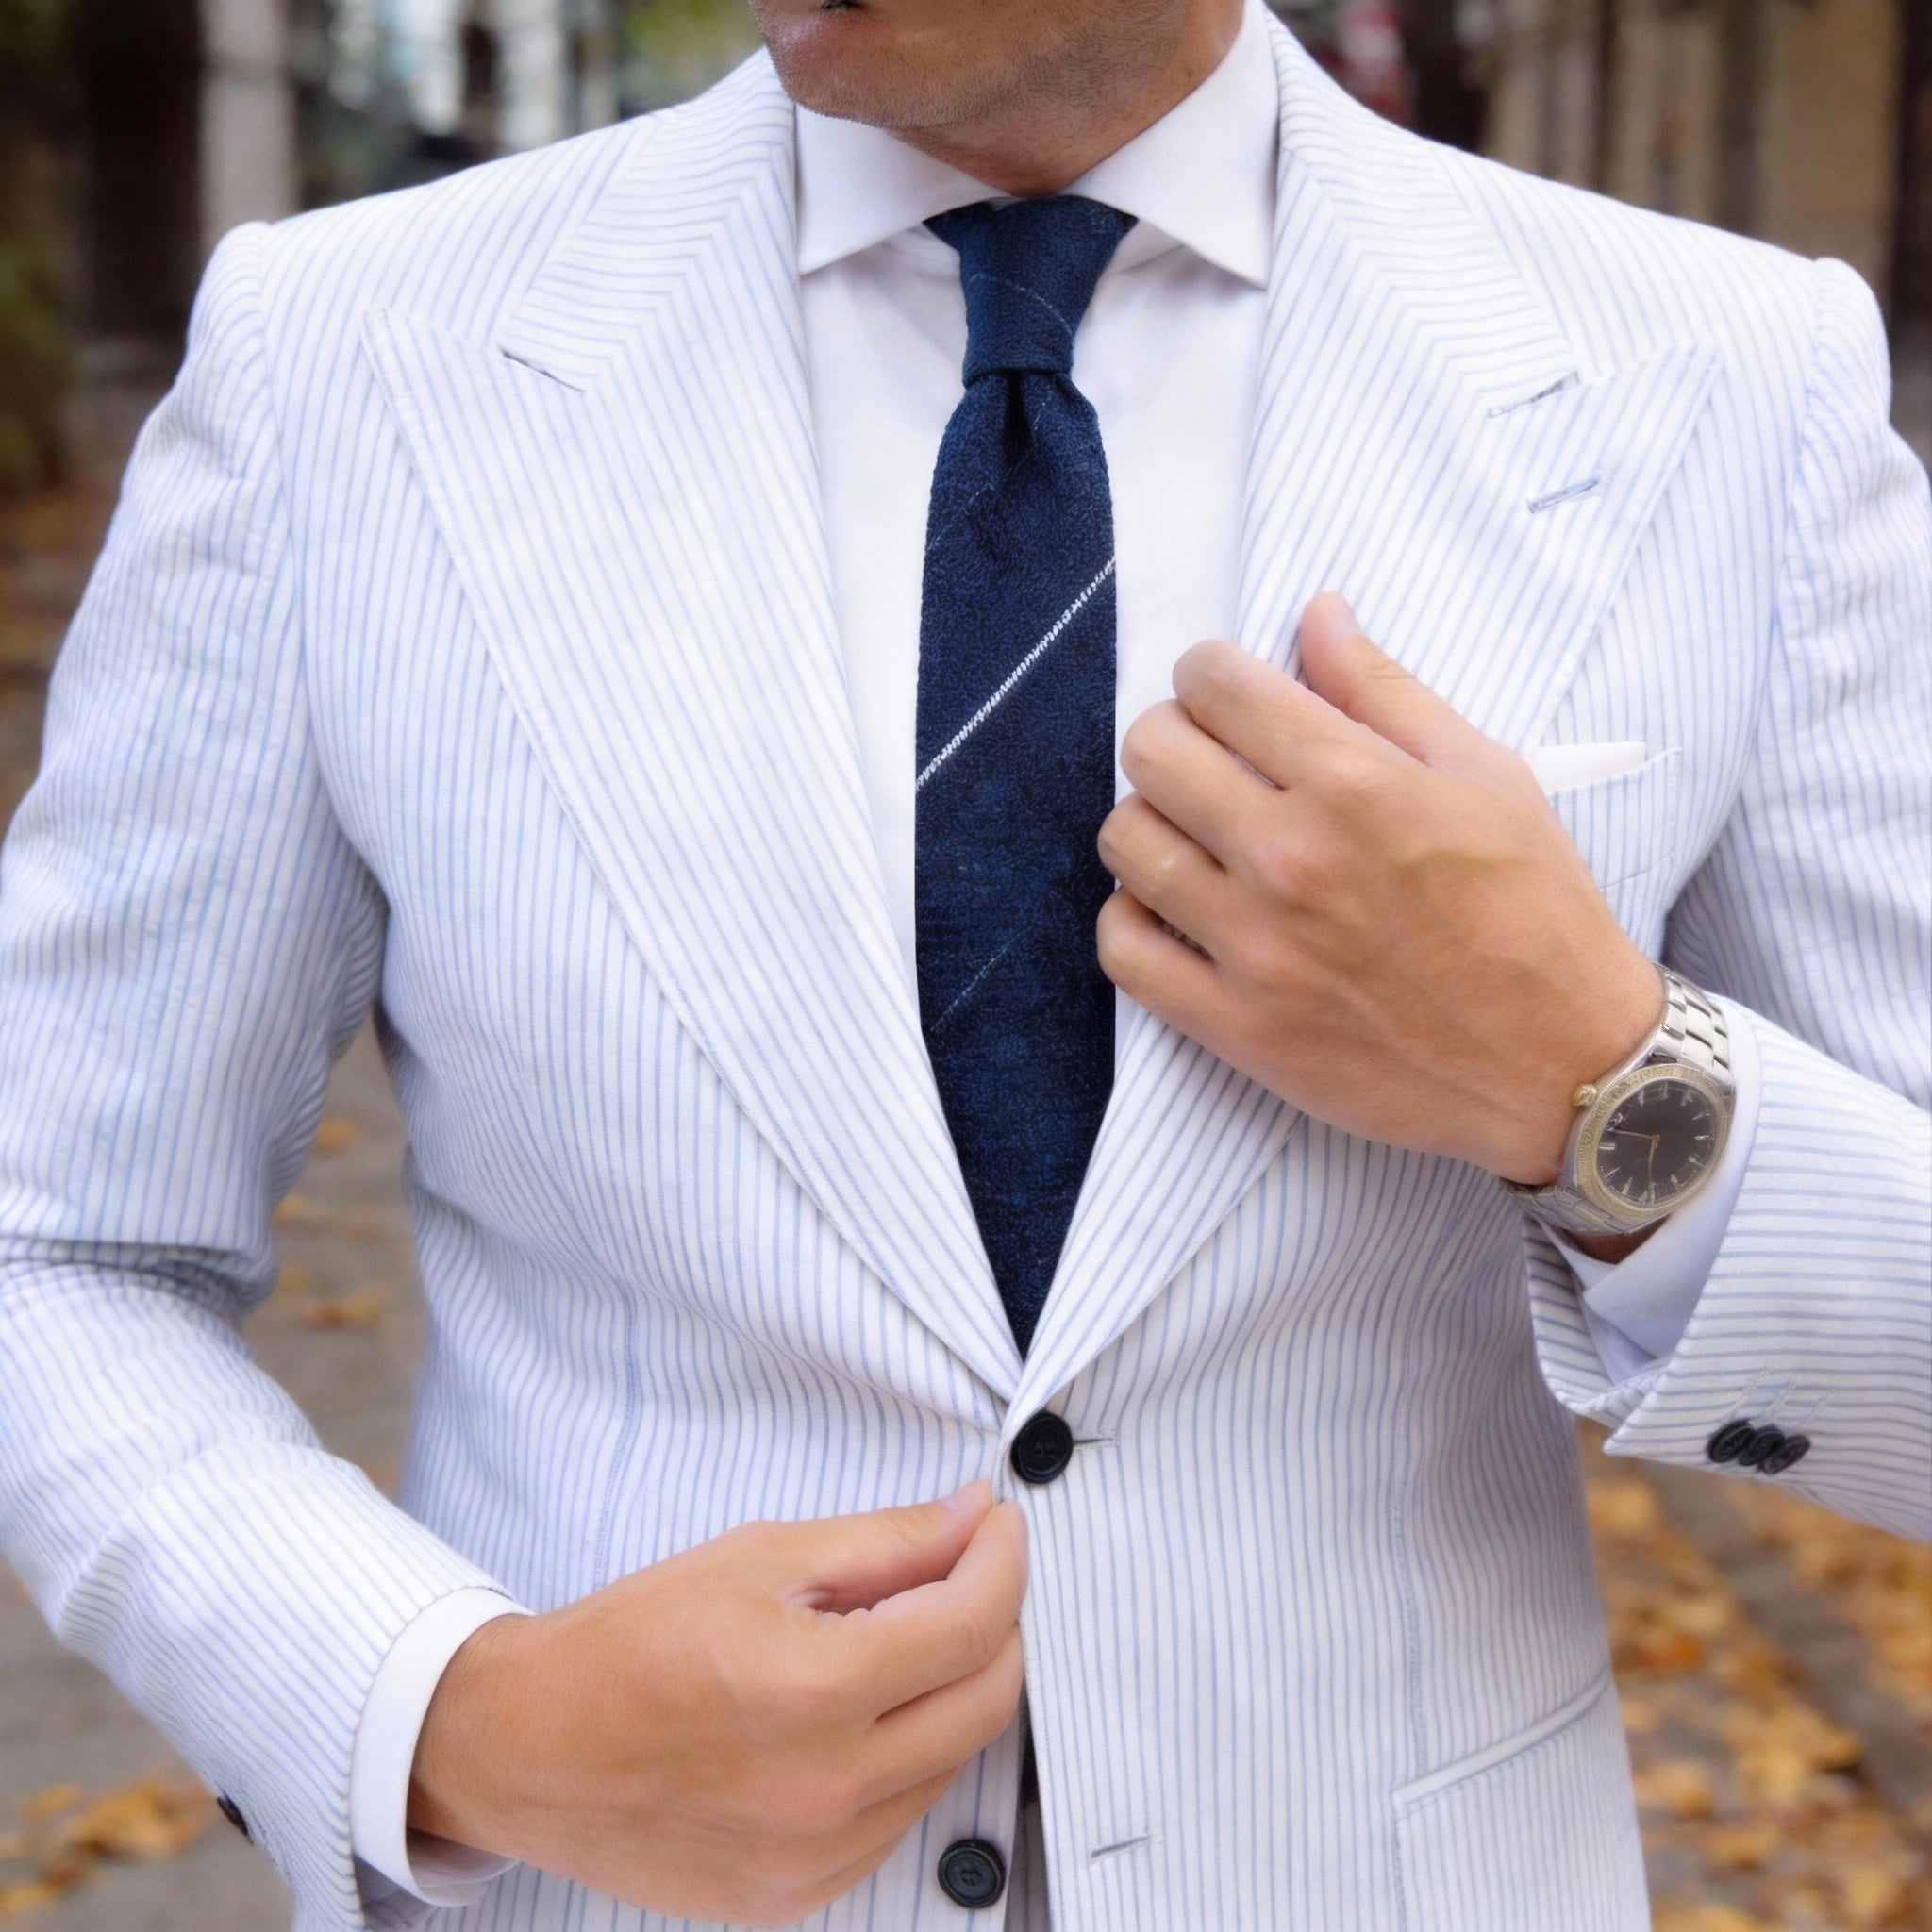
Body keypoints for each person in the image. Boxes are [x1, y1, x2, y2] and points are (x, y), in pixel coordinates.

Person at [0, 0, 1925, 1927]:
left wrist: (1597, 1082)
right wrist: (442, 1711)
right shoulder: (341, 359)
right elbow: (58, 1241)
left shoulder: (1728, 385)